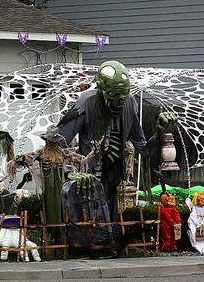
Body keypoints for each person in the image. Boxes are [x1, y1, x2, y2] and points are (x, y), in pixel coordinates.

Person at [57, 61, 174, 217]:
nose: (119, 101)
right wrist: (72, 173)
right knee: (89, 219)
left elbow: (144, 150)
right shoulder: (88, 102)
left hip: (114, 180)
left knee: (110, 220)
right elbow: (57, 143)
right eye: (114, 94)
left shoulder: (129, 104)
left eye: (123, 95)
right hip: (87, 180)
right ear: (101, 88)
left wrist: (158, 132)